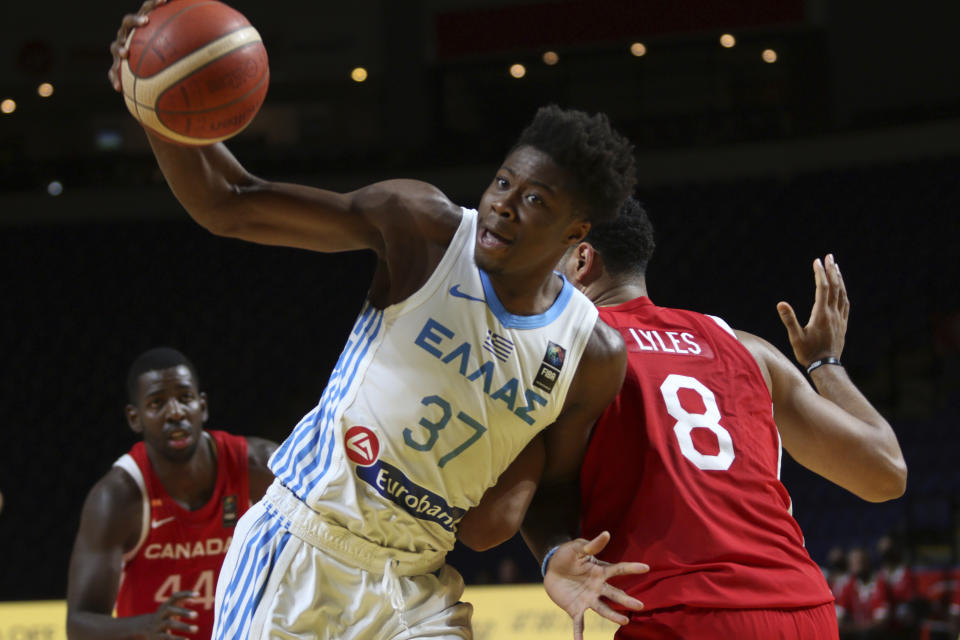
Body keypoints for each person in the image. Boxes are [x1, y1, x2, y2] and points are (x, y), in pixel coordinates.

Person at [106, 3, 644, 638]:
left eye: (534, 201)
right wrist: (155, 102)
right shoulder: (423, 229)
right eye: (503, 183)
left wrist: (554, 553)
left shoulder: (591, 354)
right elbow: (231, 203)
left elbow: (553, 484)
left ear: (575, 233)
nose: (502, 207)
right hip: (303, 547)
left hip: (415, 583)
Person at [523, 198, 907, 639]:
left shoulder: (561, 351)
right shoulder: (745, 346)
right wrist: (824, 362)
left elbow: (510, 500)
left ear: (582, 258)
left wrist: (551, 552)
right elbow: (885, 475)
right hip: (803, 610)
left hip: (683, 615)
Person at [66, 347, 278, 640]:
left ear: (202, 407)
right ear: (134, 418)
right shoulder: (117, 498)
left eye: (185, 398)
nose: (175, 412)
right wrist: (144, 628)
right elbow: (78, 626)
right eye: (157, 403)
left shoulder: (260, 467)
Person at [836, 547, 892, 638]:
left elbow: (881, 623)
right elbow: (839, 618)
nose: (857, 565)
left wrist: (851, 628)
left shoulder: (880, 584)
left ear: (868, 562)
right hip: (856, 634)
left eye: (860, 561)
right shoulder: (848, 586)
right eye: (853, 562)